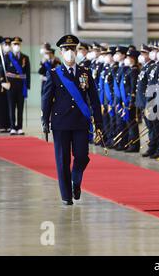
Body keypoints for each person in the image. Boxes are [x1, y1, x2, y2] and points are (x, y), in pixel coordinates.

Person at [41, 34, 102, 206]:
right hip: (60, 123)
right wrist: (45, 121)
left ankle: (76, 179)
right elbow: (46, 99)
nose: (69, 52)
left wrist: (99, 122)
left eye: (72, 49)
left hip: (80, 122)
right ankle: (66, 196)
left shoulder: (85, 73)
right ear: (61, 52)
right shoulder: (54, 73)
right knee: (62, 160)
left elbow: (94, 99)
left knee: (82, 156)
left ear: (76, 51)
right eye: (66, 49)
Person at [2, 37, 30, 135]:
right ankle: (12, 127)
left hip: (21, 86)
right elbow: (1, 71)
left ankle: (20, 127)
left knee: (20, 108)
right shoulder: (6, 57)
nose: (16, 46)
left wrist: (27, 86)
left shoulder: (25, 58)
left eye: (18, 44)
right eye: (14, 44)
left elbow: (28, 73)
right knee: (11, 107)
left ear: (20, 45)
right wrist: (2, 82)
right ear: (12, 45)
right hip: (11, 85)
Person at [136, 44, 157, 157]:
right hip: (143, 101)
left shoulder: (151, 67)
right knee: (149, 127)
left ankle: (154, 147)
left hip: (149, 101)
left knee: (153, 127)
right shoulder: (145, 67)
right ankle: (152, 147)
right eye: (141, 53)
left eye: (144, 53)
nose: (142, 55)